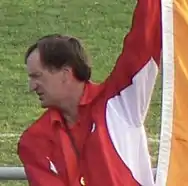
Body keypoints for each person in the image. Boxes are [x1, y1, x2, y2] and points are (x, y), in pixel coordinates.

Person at [17, 0, 162, 185]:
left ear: (65, 73)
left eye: (37, 76)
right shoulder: (34, 141)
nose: (32, 86)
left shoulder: (120, 100)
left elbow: (145, 37)